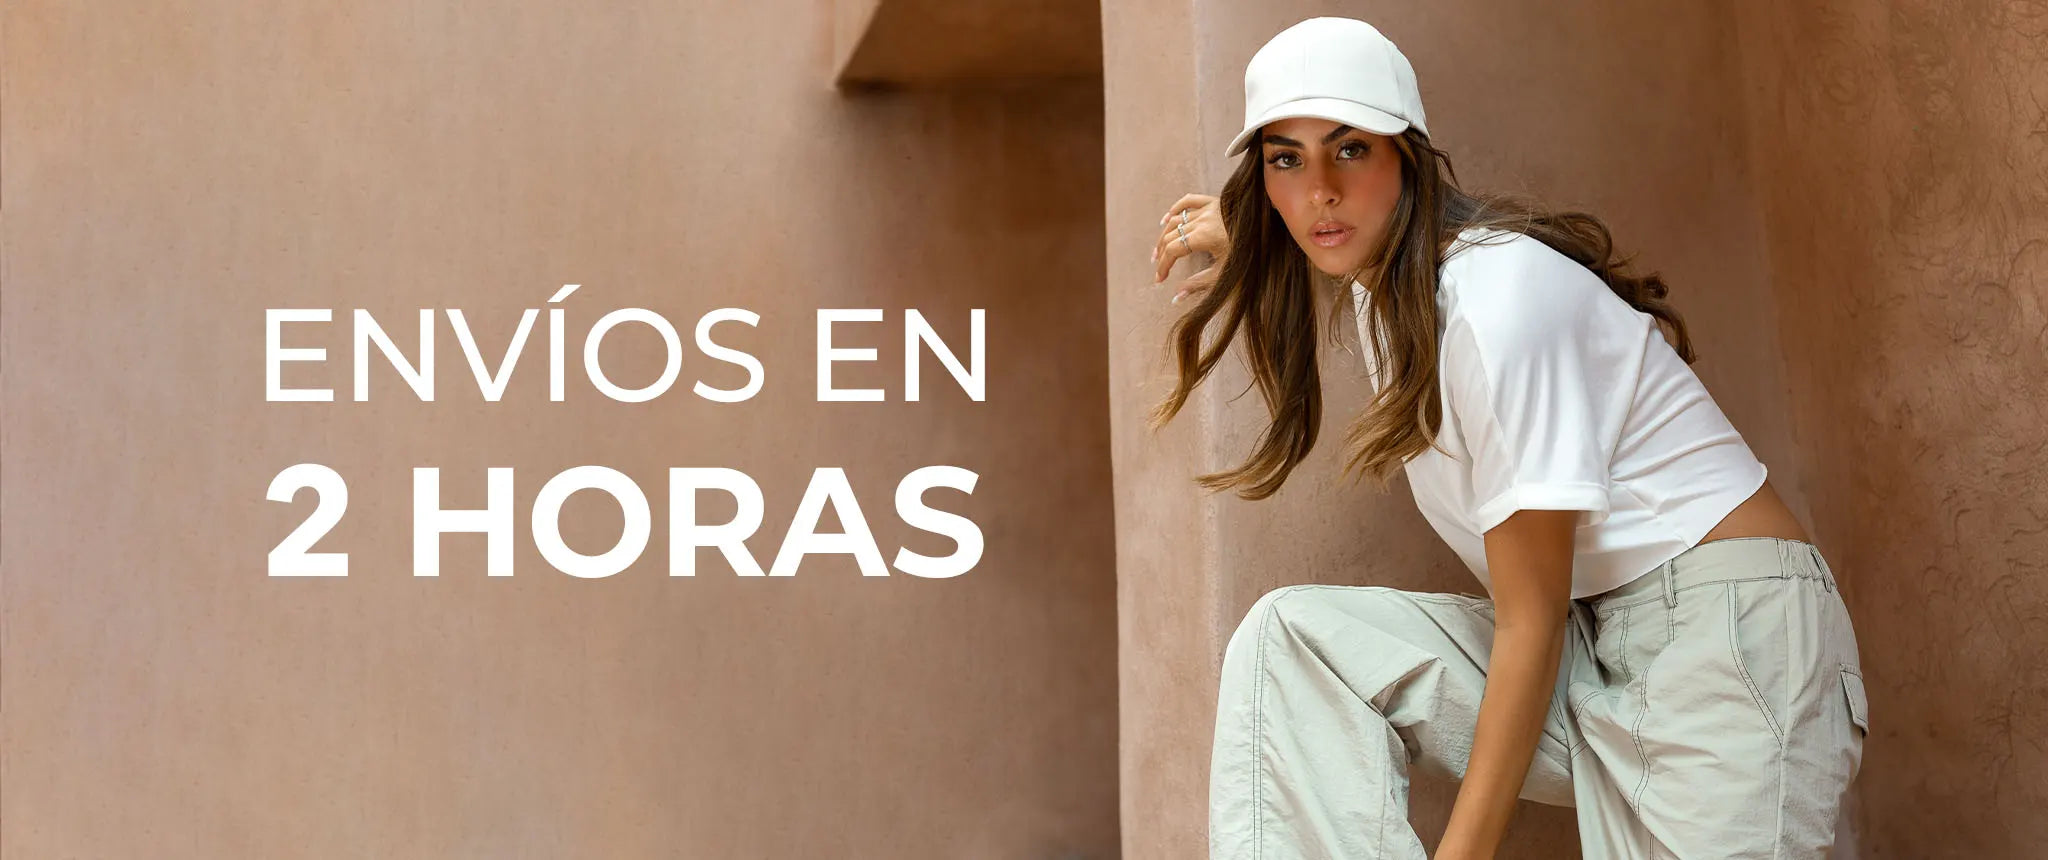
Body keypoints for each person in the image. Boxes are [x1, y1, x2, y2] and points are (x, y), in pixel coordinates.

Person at [1146, 16, 1869, 860]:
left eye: (1349, 150)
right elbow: (1327, 225)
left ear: (1406, 157)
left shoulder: (1495, 301)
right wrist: (1259, 239)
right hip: (1600, 638)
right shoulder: (1399, 288)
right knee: (1294, 645)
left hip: (1729, 641)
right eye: (1286, 160)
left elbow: (1531, 622)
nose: (1318, 192)